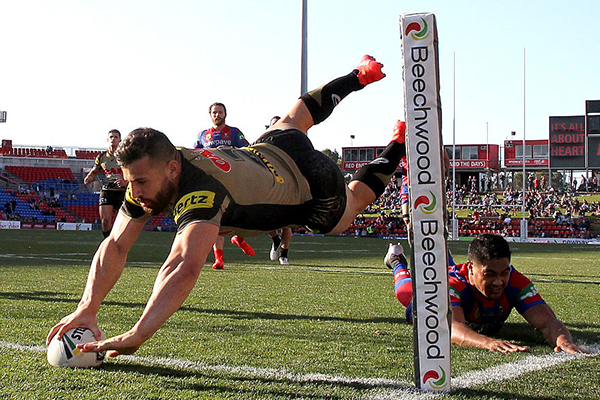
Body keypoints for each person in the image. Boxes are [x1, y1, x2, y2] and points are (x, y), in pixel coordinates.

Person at [47, 54, 406, 357]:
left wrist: (139, 333)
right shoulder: (158, 167)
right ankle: (359, 75)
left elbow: (182, 266)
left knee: (351, 205)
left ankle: (398, 145)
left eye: (140, 182)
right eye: (130, 181)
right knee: (297, 116)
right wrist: (87, 307)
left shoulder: (199, 193)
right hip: (272, 147)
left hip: (308, 186)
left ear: (172, 169)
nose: (134, 191)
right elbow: (115, 244)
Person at [385, 233, 586, 354]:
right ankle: (396, 261)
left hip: (462, 280)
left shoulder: (515, 280)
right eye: (489, 274)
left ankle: (445, 256)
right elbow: (451, 328)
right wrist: (488, 342)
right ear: (471, 268)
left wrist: (563, 340)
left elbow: (547, 321)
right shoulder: (451, 285)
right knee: (405, 292)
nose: (498, 281)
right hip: (438, 290)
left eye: (504, 272)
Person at [194, 102, 255, 269]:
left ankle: (239, 238)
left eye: (220, 112)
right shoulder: (203, 135)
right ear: (210, 115)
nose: (217, 115)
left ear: (225, 114)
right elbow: (194, 153)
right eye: (214, 112)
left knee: (242, 212)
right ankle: (219, 259)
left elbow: (249, 149)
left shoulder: (234, 133)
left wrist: (230, 148)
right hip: (213, 182)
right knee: (217, 218)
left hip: (234, 179)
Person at [83, 129, 127, 238]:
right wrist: (90, 177)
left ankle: (119, 241)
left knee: (122, 221)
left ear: (120, 140)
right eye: (111, 137)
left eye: (116, 137)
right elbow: (95, 170)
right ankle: (107, 241)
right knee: (105, 221)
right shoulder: (102, 157)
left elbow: (134, 173)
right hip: (107, 190)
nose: (113, 139)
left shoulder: (126, 156)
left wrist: (125, 182)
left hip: (123, 191)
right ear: (108, 139)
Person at [265, 115, 293, 265]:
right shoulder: (263, 141)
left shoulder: (290, 142)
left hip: (287, 184)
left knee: (287, 222)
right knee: (266, 219)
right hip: (270, 184)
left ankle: (284, 254)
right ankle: (275, 239)